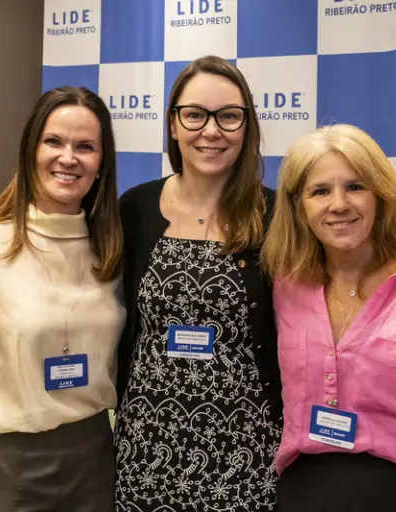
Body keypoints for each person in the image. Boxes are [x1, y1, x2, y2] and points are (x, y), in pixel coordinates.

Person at [0, 86, 125, 512]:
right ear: (31, 150)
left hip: (97, 464)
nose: (68, 158)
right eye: (54, 142)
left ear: (101, 164)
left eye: (85, 146)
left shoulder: (113, 248)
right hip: (10, 468)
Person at [260, 123, 396, 511]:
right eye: (320, 191)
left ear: (381, 197)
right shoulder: (286, 284)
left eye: (355, 187)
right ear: (299, 208)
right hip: (304, 492)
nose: (339, 204)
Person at [113, 56, 281, 511]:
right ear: (173, 123)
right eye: (195, 115)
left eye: (229, 116)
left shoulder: (278, 216)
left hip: (245, 450)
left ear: (247, 125)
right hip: (146, 448)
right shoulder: (136, 208)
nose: (212, 131)